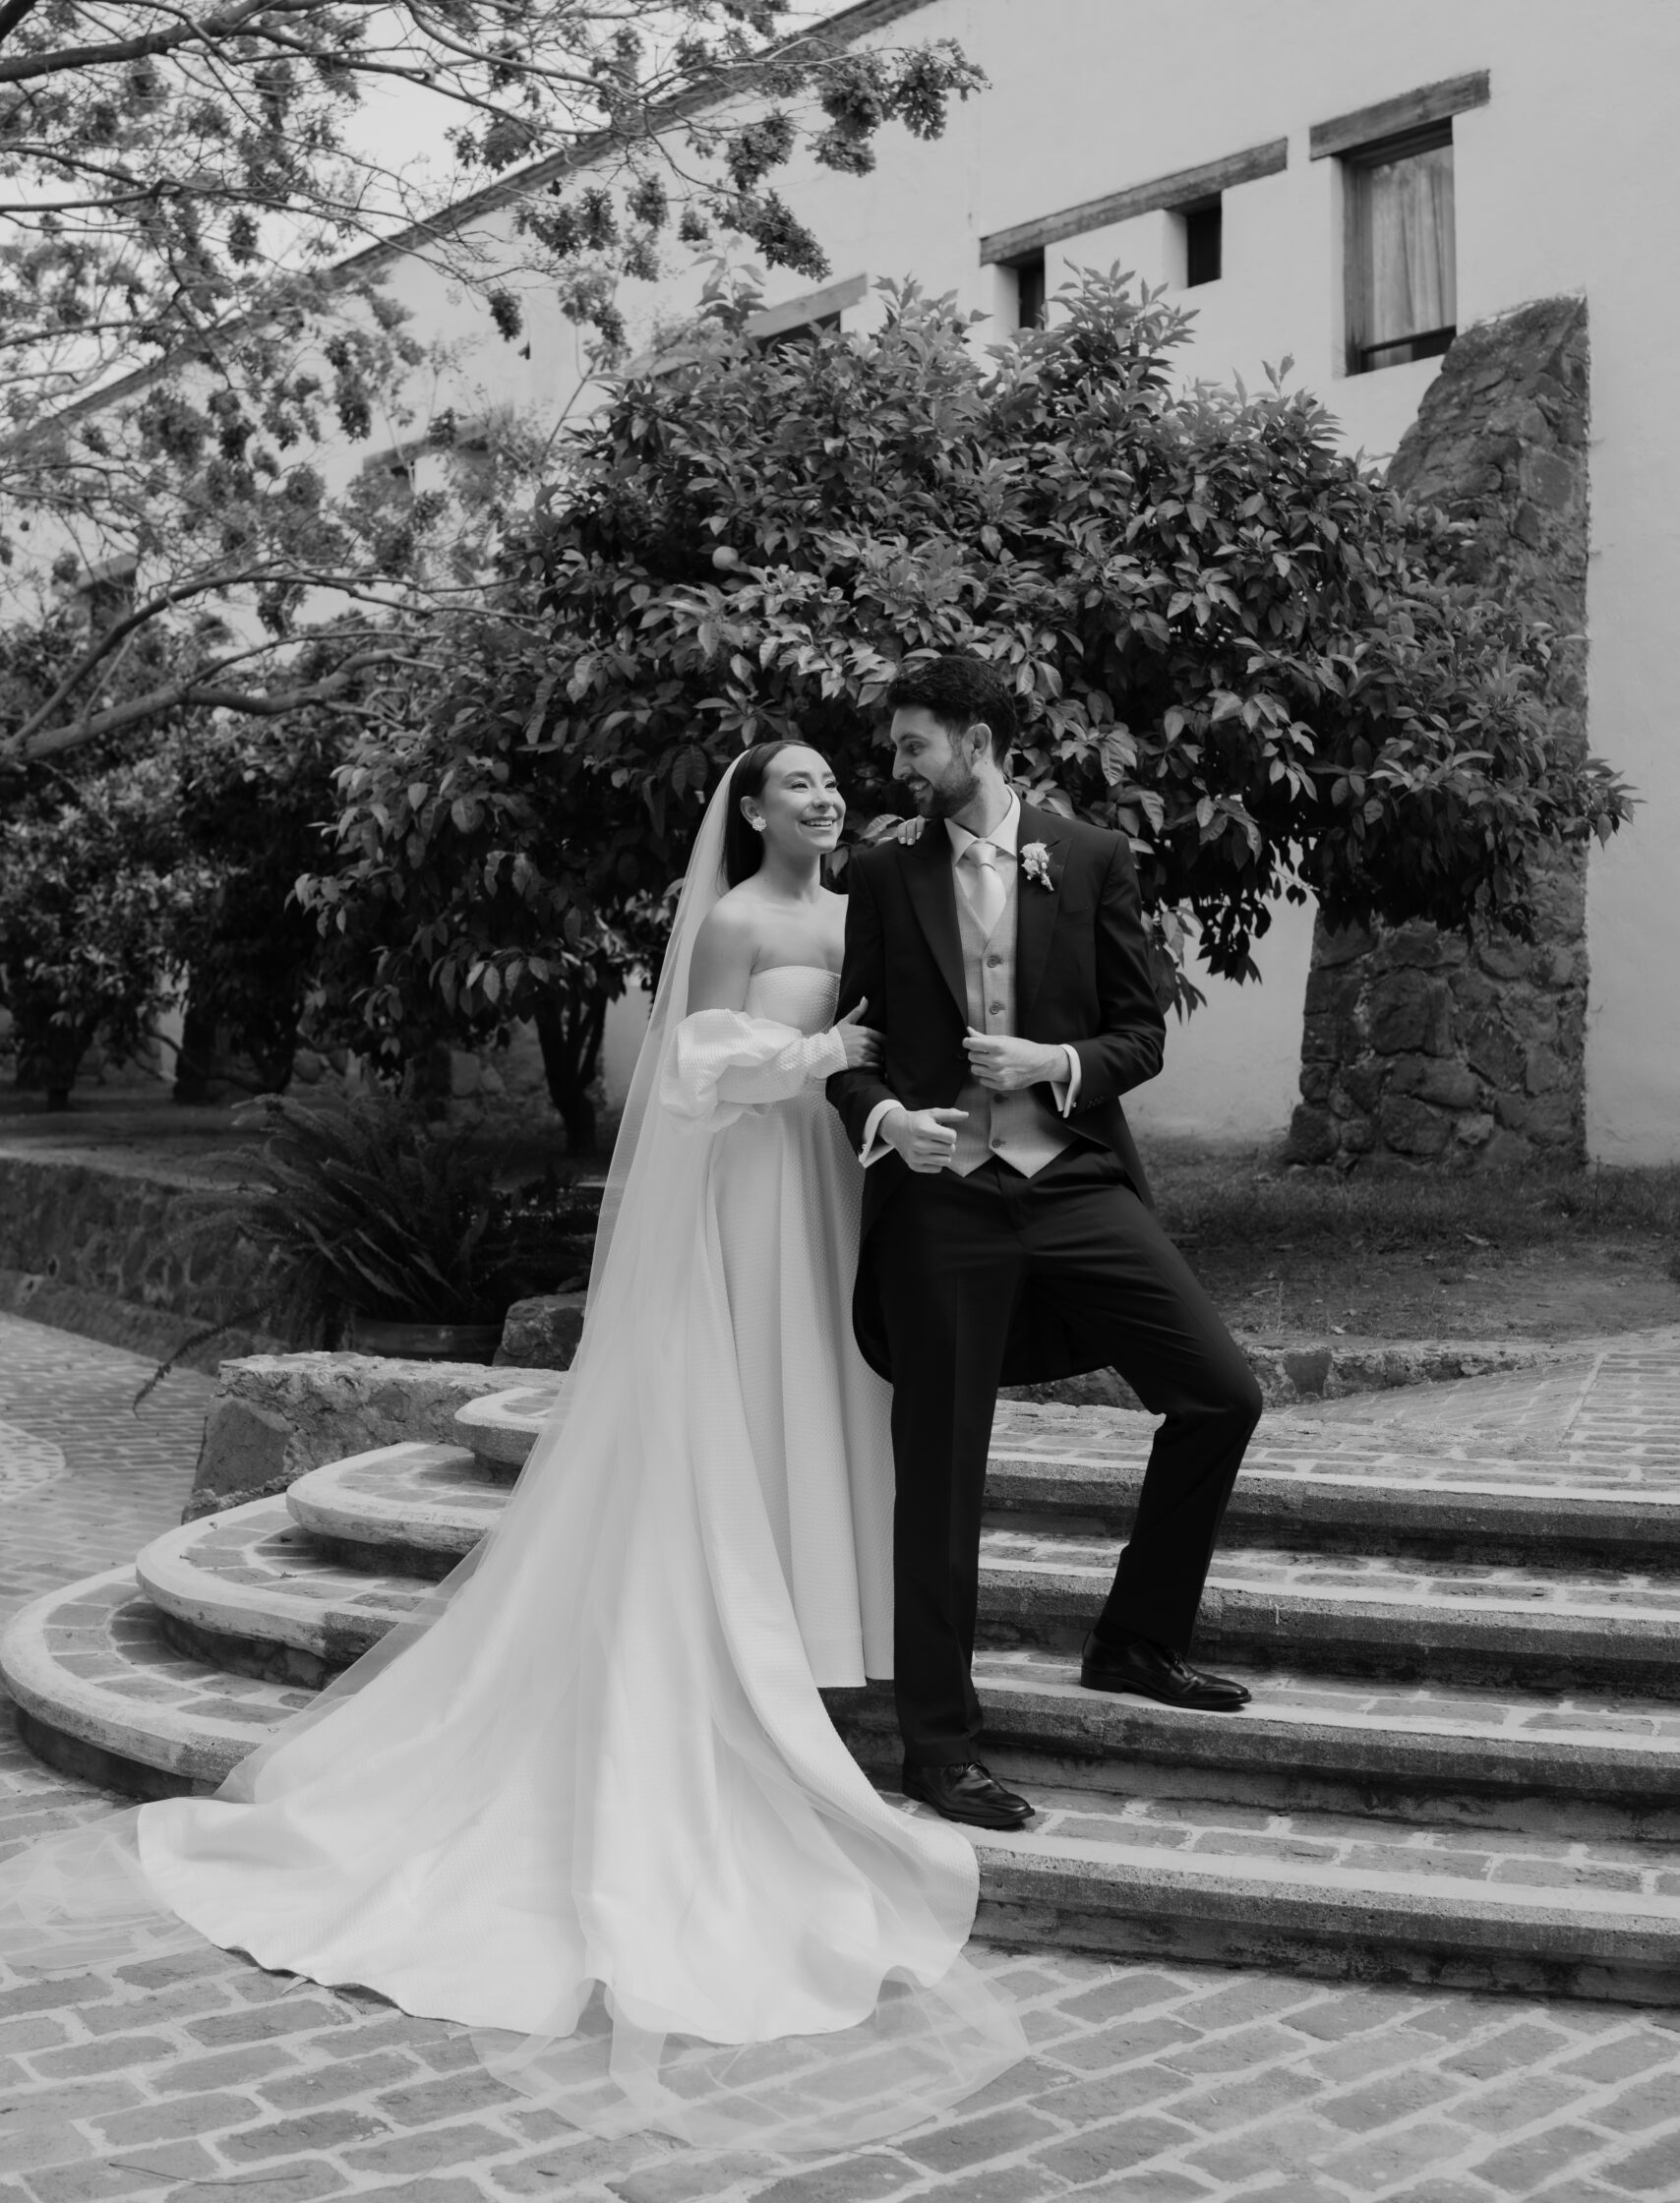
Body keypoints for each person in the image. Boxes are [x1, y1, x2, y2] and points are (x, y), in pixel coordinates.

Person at [0, 744, 1023, 2154]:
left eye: (831, 783)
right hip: (752, 1186)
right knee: (749, 1402)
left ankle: (815, 1637)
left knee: (827, 1401)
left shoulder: (862, 906)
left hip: (836, 1185)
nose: (825, 799)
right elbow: (689, 1070)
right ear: (751, 810)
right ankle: (750, 1654)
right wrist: (814, 1056)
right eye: (797, 786)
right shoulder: (734, 919)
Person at [828, 655, 1263, 1833]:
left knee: (1219, 1394)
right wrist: (887, 1118)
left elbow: (1139, 1033)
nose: (898, 765)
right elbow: (851, 1049)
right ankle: (937, 1747)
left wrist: (1052, 1064)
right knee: (940, 1470)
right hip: (942, 1201)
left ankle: (1135, 1639)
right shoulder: (883, 873)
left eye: (914, 744)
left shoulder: (1090, 856)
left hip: (1069, 1176)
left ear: (974, 741)